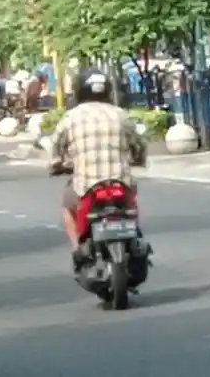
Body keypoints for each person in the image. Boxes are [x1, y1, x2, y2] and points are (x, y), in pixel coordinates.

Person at [49, 69, 147, 269]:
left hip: (86, 184)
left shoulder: (71, 117)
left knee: (68, 206)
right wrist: (138, 159)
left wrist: (56, 164)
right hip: (121, 181)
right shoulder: (120, 114)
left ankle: (77, 249)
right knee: (131, 204)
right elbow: (138, 144)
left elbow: (56, 145)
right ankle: (134, 236)